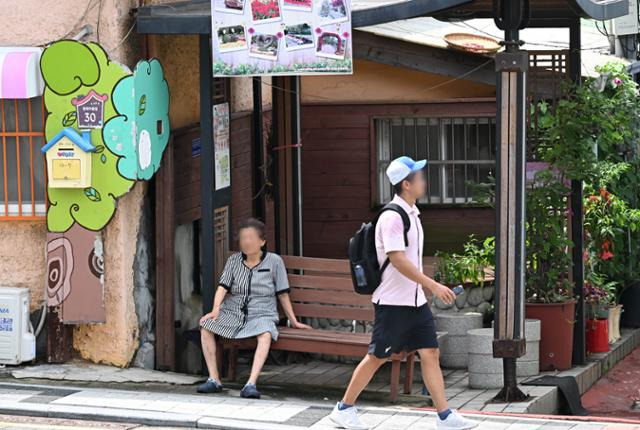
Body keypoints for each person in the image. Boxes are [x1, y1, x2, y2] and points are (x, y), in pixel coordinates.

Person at [329, 156, 478, 430]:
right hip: (393, 303)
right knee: (377, 356)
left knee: (430, 354)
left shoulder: (412, 213)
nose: (424, 180)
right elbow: (397, 259)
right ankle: (343, 408)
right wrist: (432, 285)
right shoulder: (392, 217)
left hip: (414, 303)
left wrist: (424, 290)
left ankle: (444, 415)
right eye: (419, 177)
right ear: (406, 184)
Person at [197, 218, 311, 399]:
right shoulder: (233, 261)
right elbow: (222, 287)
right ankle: (214, 379)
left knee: (265, 334)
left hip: (262, 312)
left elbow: (282, 293)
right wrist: (215, 310)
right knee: (206, 326)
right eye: (243, 238)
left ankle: (251, 383)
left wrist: (294, 321)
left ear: (262, 241)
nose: (246, 242)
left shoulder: (274, 261)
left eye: (250, 238)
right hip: (233, 311)